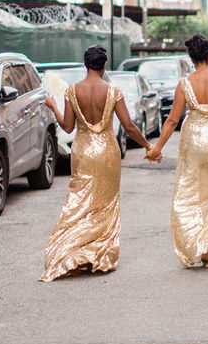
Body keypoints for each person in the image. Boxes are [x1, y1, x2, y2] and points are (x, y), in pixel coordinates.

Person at [40, 45, 154, 281]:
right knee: (105, 202)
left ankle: (72, 251)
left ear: (85, 64)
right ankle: (99, 255)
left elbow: (68, 127)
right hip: (106, 152)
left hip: (82, 151)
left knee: (79, 201)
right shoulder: (112, 91)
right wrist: (148, 146)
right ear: (104, 66)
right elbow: (130, 126)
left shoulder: (72, 91)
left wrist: (54, 108)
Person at [145, 34, 208, 268]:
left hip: (192, 141)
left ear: (191, 59)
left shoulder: (184, 84)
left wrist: (157, 148)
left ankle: (204, 251)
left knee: (190, 196)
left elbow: (172, 120)